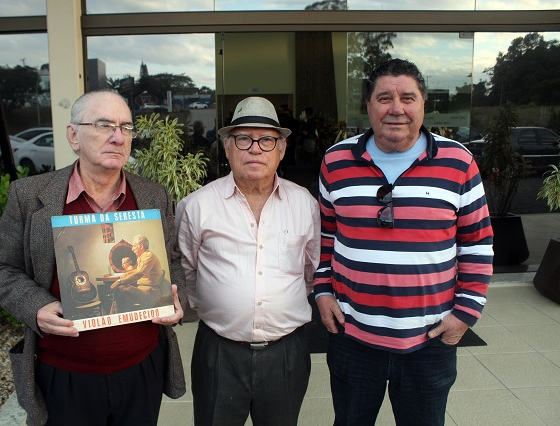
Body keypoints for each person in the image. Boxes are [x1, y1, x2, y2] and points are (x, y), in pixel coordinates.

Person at [0, 89, 187, 426]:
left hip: (142, 367)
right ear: (73, 135)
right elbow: (1, 268)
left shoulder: (153, 195)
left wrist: (175, 297)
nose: (117, 137)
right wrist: (35, 307)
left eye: (125, 127)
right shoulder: (30, 195)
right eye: (104, 125)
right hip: (64, 374)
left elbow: (173, 261)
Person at [315, 59, 494, 426]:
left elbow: (477, 243)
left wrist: (465, 314)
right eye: (384, 98)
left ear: (423, 104)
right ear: (368, 106)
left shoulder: (458, 161)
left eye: (407, 97)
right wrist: (322, 290)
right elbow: (325, 237)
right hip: (353, 336)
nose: (396, 108)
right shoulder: (335, 161)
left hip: (429, 341)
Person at [176, 96, 321, 426]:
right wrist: (223, 306)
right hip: (219, 353)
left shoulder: (304, 204)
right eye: (244, 138)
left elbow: (311, 268)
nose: (255, 148)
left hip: (286, 353)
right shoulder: (197, 206)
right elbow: (187, 272)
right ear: (228, 148)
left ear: (281, 150)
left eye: (266, 139)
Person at [111, 234, 164, 310]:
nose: (132, 249)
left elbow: (139, 274)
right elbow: (137, 271)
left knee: (120, 288)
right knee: (119, 291)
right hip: (143, 289)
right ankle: (119, 314)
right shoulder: (141, 257)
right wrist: (126, 274)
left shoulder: (149, 256)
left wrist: (119, 281)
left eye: (134, 246)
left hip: (151, 292)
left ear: (141, 246)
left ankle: (118, 315)